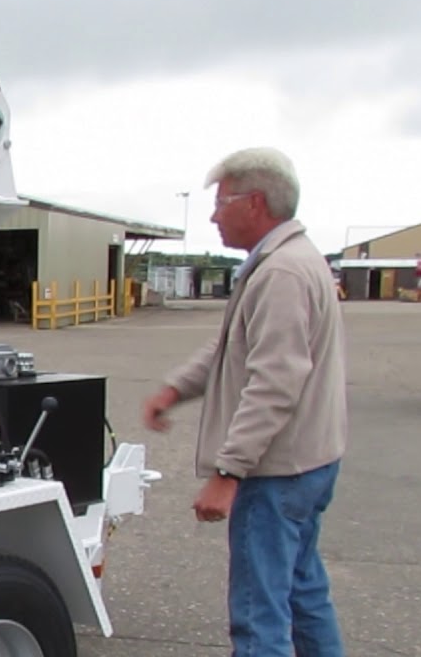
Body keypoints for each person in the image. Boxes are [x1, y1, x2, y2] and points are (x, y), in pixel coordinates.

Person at [141, 146, 348, 656]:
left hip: (277, 474)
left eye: (221, 202)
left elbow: (275, 381)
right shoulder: (287, 262)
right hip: (309, 463)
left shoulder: (282, 274)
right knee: (302, 592)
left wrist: (228, 472)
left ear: (255, 203)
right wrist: (176, 388)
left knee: (259, 617)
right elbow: (232, 345)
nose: (212, 215)